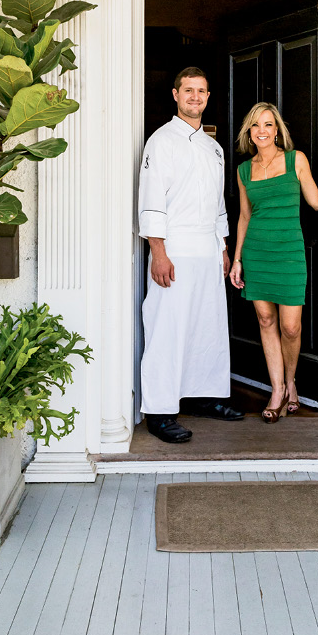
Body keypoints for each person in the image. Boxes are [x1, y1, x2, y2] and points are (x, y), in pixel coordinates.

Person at [229, 102, 318, 422]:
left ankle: (291, 381)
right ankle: (277, 389)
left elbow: (317, 202)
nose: (262, 130)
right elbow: (244, 217)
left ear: (277, 130)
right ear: (249, 133)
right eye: (256, 126)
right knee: (266, 322)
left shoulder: (295, 160)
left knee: (291, 327)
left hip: (289, 253)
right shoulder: (244, 170)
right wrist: (237, 259)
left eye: (268, 124)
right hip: (257, 254)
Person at [137, 66, 244, 443]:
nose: (195, 97)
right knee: (168, 329)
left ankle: (202, 397)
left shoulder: (214, 148)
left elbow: (218, 206)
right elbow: (151, 200)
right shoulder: (160, 142)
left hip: (208, 251)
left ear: (208, 97)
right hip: (175, 250)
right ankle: (161, 411)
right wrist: (158, 253)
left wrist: (224, 249)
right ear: (175, 95)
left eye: (201, 91)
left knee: (207, 327)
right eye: (188, 90)